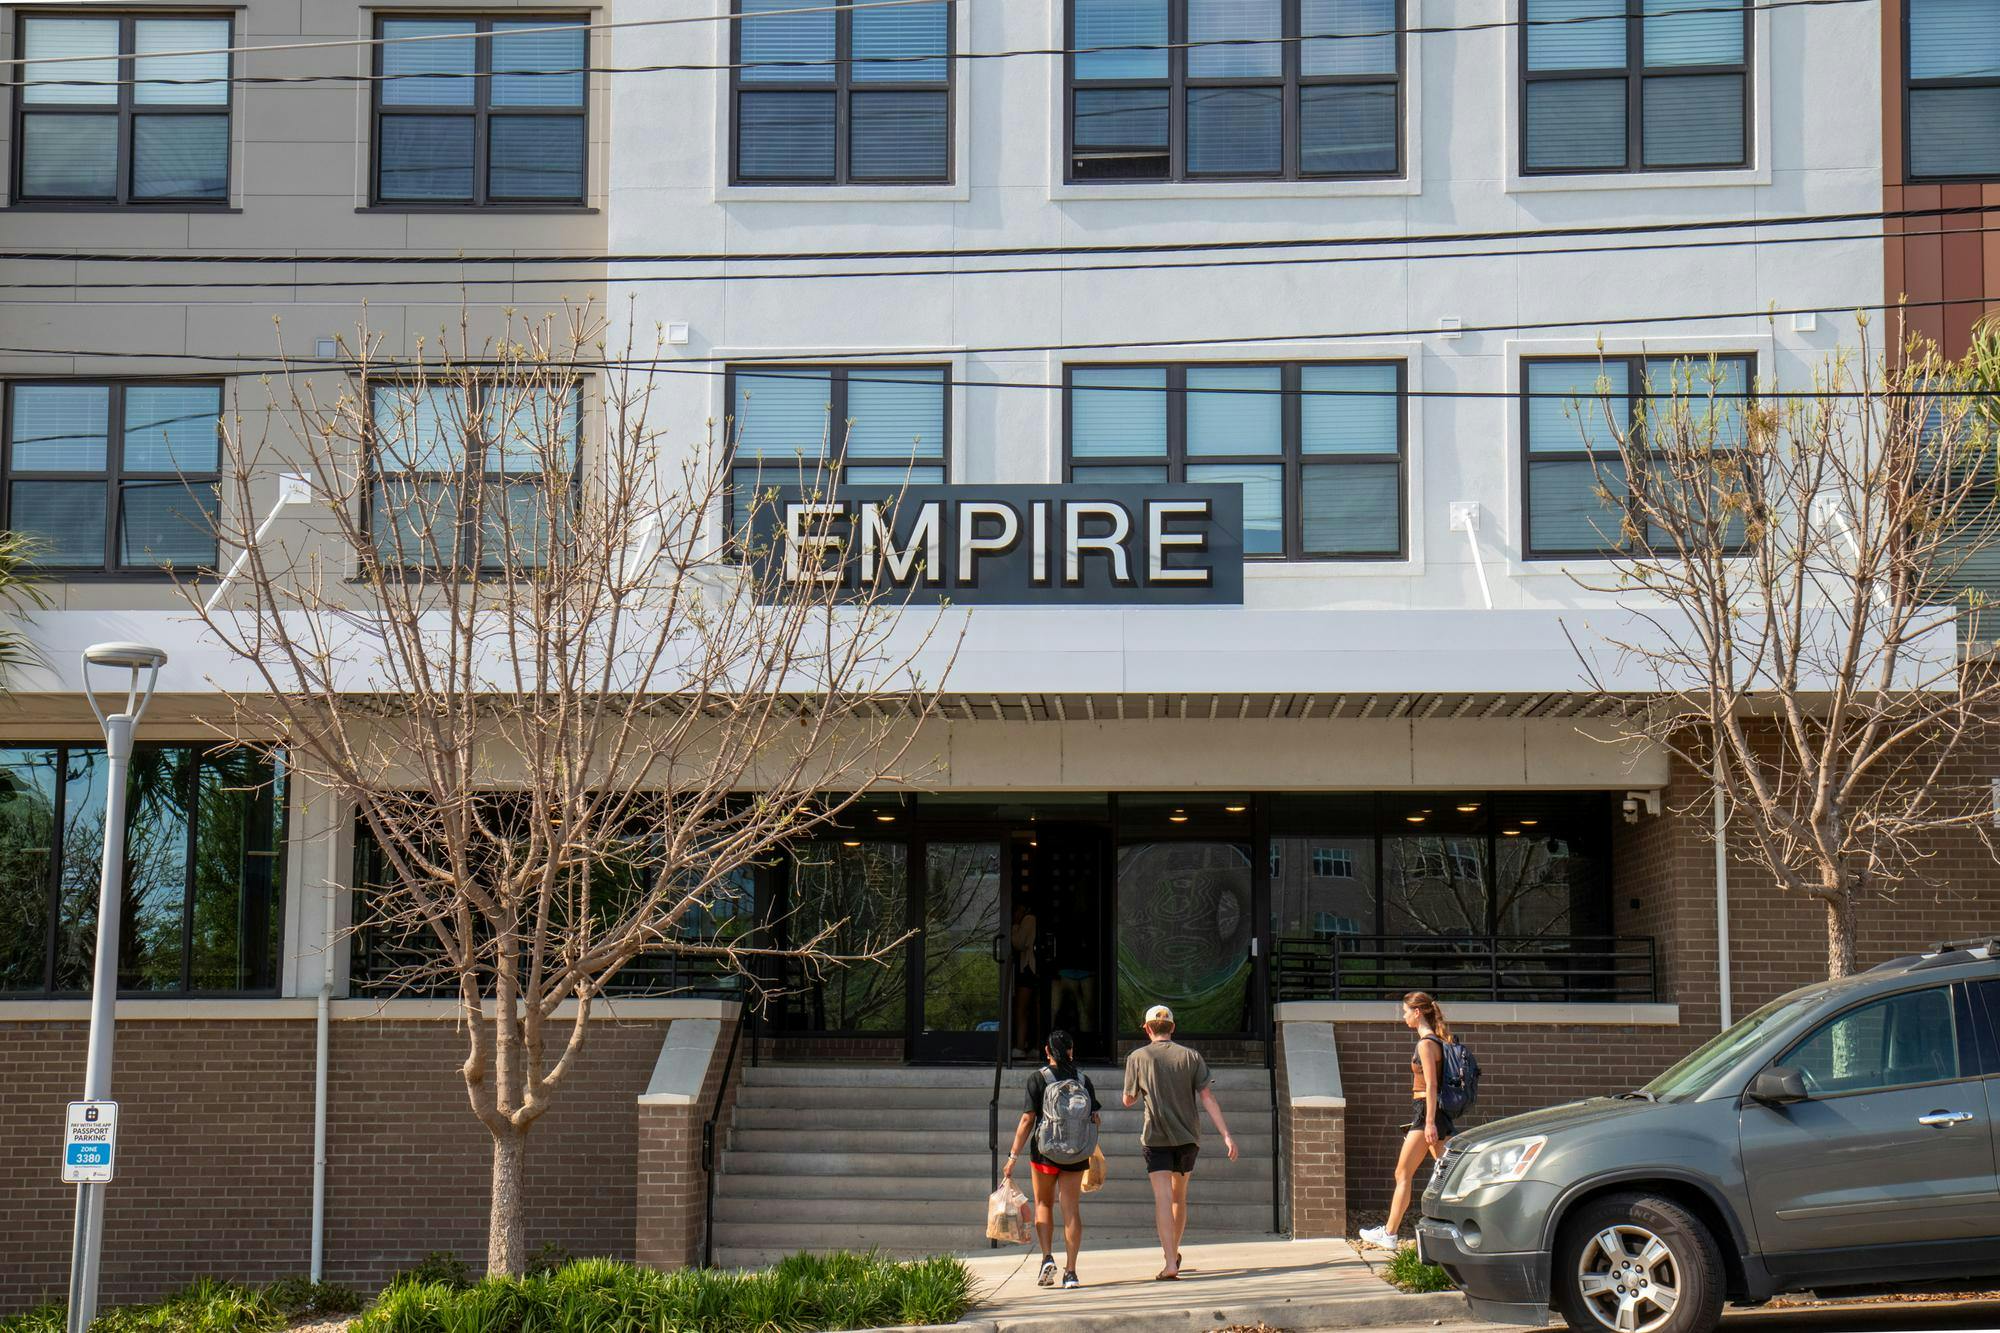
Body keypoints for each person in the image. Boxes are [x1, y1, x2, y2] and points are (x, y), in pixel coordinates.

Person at [1122, 1004, 1237, 1281]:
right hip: (1188, 1137)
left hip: (1155, 1137)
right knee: (1179, 1197)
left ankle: (1170, 1261)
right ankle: (1174, 1252)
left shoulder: (1137, 1057)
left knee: (1162, 1199)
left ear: (1148, 1029)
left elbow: (1128, 1100)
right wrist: (1226, 1134)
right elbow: (1207, 1097)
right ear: (1172, 1028)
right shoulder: (1191, 1056)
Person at [1359, 991, 1457, 1250]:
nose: (1403, 1017)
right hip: (1428, 1113)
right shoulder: (1436, 1041)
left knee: (1404, 1173)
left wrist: (1429, 1123)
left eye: (1405, 1012)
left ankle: (1389, 1234)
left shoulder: (1426, 1044)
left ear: (1417, 1012)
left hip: (1427, 1112)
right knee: (1451, 1173)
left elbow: (1432, 1085)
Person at [1004, 1030, 1100, 1290]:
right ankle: (1071, 1272)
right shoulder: (1083, 1079)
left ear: (1047, 1051)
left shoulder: (1039, 1078)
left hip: (1045, 1152)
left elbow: (1027, 1120)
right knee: (1071, 1209)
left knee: (1044, 1203)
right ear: (1071, 1050)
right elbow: (1094, 1119)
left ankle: (1047, 1257)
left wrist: (1013, 1156)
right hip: (1076, 1154)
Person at [1009, 897, 1039, 1057]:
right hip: (1036, 969)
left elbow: (1019, 943)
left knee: (1021, 1009)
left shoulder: (1028, 919)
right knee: (1035, 1010)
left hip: (1029, 967)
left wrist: (1014, 925)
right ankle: (1036, 1045)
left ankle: (1020, 1046)